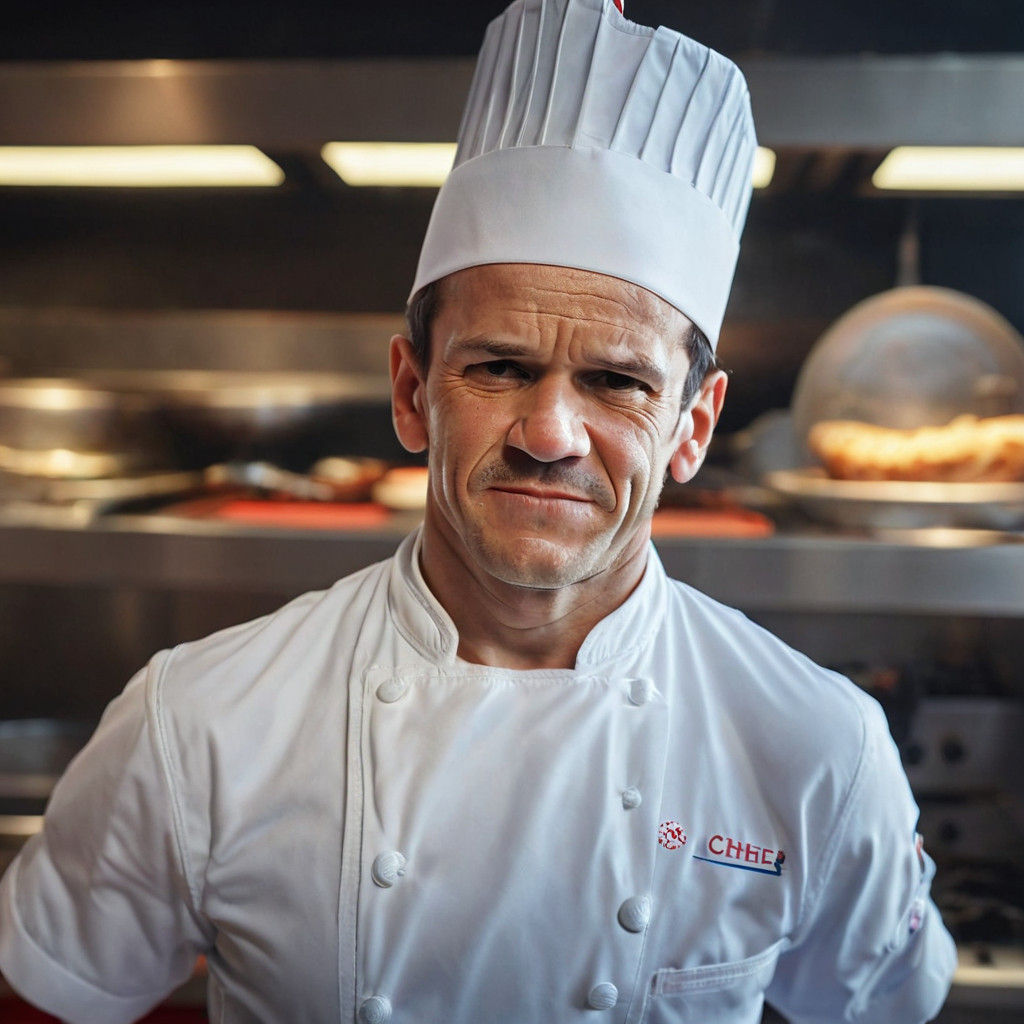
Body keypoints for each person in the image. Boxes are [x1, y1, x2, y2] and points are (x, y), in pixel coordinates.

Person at [0, 0, 957, 1021]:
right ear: (412, 392)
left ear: (692, 426)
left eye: (616, 381)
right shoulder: (197, 723)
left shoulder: (817, 748)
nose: (549, 432)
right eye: (499, 366)